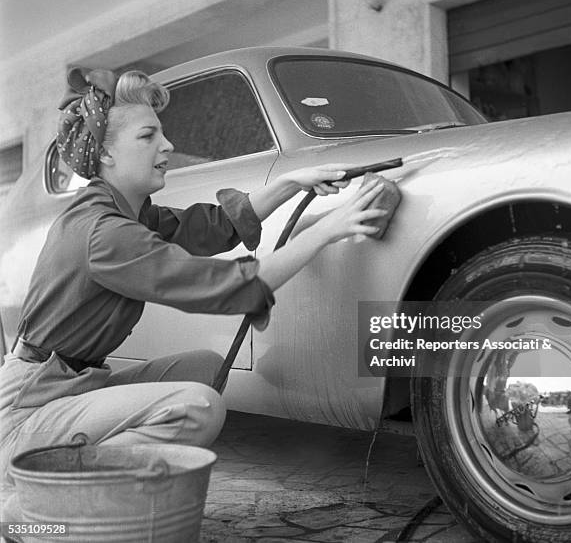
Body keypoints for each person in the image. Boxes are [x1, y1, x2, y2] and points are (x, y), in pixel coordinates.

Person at [0, 67, 387, 524]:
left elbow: (208, 228)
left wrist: (290, 182)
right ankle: (30, 508)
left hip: (71, 384)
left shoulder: (128, 212)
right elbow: (218, 285)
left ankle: (74, 484)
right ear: (106, 153)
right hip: (30, 408)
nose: (167, 147)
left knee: (204, 370)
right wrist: (326, 231)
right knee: (196, 408)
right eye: (149, 136)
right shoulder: (103, 232)